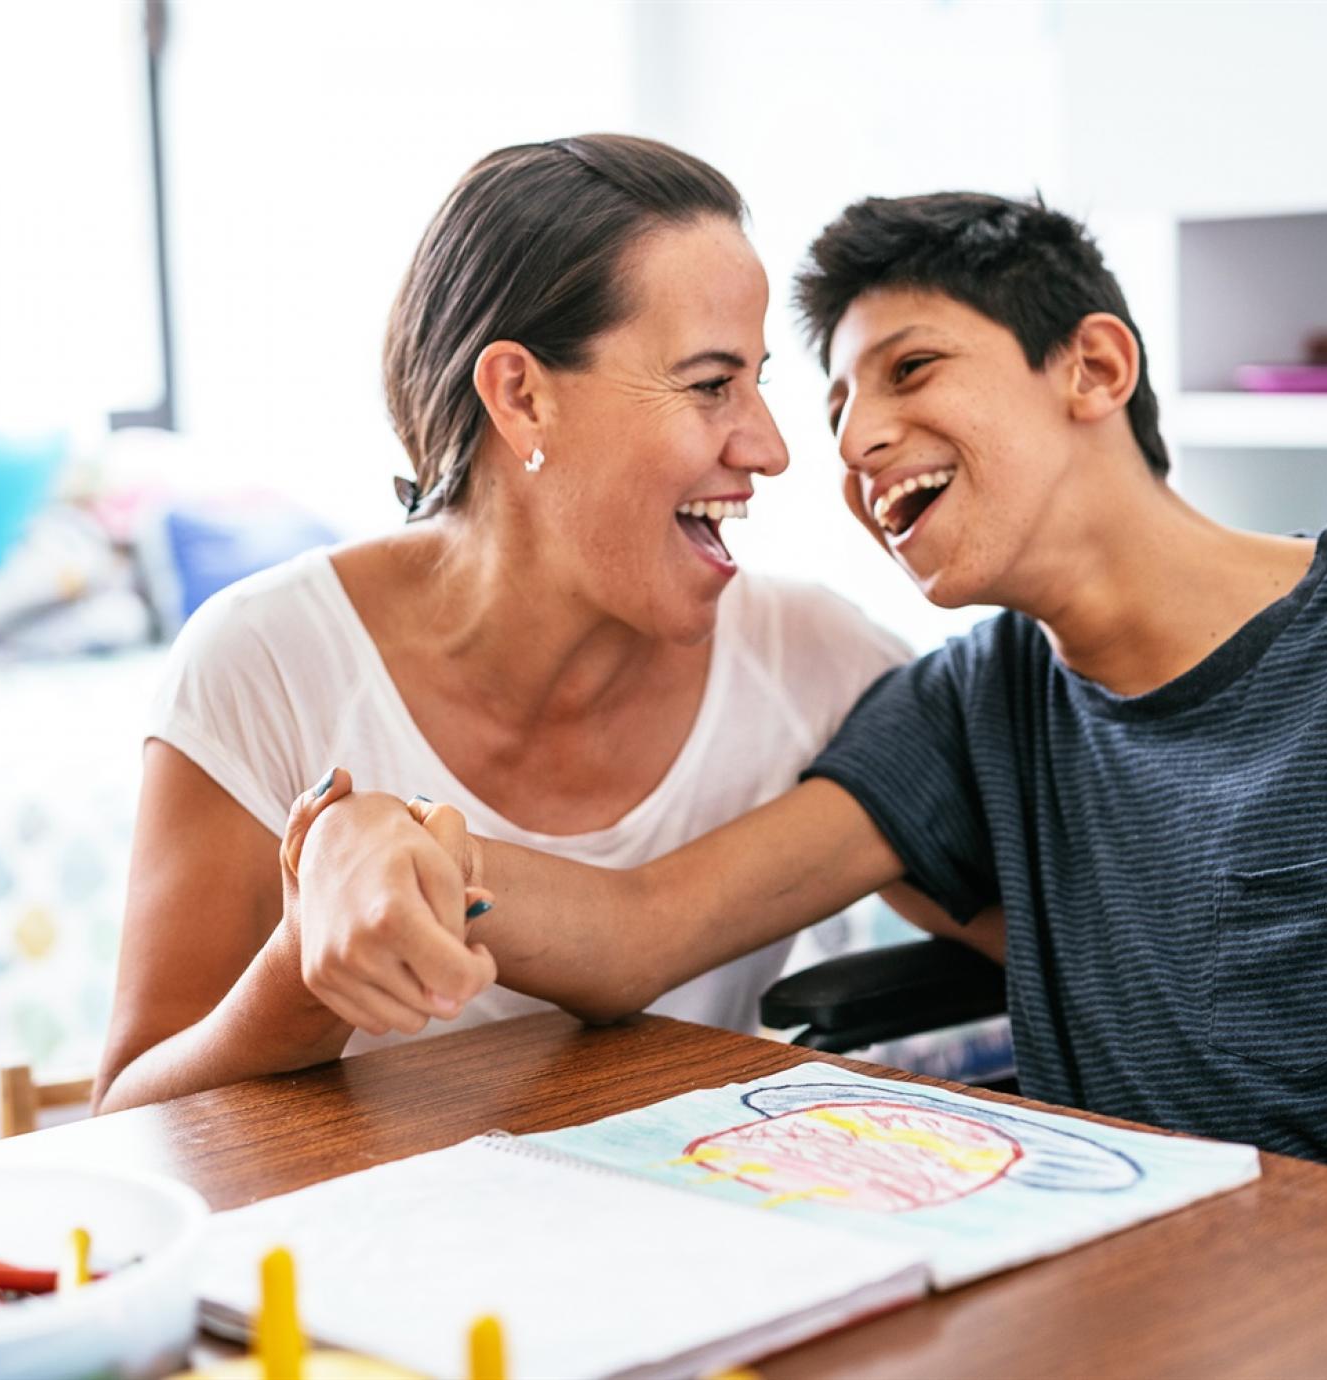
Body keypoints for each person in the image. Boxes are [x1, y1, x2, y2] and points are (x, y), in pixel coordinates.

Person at [291, 193, 1327, 1229]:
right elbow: (643, 928)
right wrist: (396, 843)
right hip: (1119, 1286)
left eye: (911, 371)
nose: (856, 442)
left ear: (1095, 369)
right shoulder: (977, 701)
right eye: (835, 408)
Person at [91, 136, 944, 1116]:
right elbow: (131, 1120)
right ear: (520, 396)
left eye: (757, 381)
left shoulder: (817, 660)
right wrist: (306, 965)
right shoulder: (263, 662)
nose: (772, 447)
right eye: (711, 384)